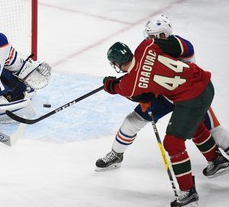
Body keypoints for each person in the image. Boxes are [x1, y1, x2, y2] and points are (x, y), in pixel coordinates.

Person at [101, 40, 229, 206]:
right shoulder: (146, 45)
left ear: (117, 64)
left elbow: (117, 87)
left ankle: (188, 193)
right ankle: (216, 160)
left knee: (173, 143)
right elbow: (175, 50)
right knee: (191, 125)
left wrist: (108, 83)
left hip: (191, 98)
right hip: (204, 83)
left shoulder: (129, 85)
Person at [96, 15, 229, 173]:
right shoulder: (167, 45)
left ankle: (216, 160)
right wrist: (133, 77)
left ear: (163, 36)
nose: (149, 39)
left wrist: (126, 85)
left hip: (187, 95)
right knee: (132, 122)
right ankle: (116, 154)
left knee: (215, 131)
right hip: (165, 96)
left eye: (152, 37)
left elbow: (150, 76)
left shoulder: (179, 47)